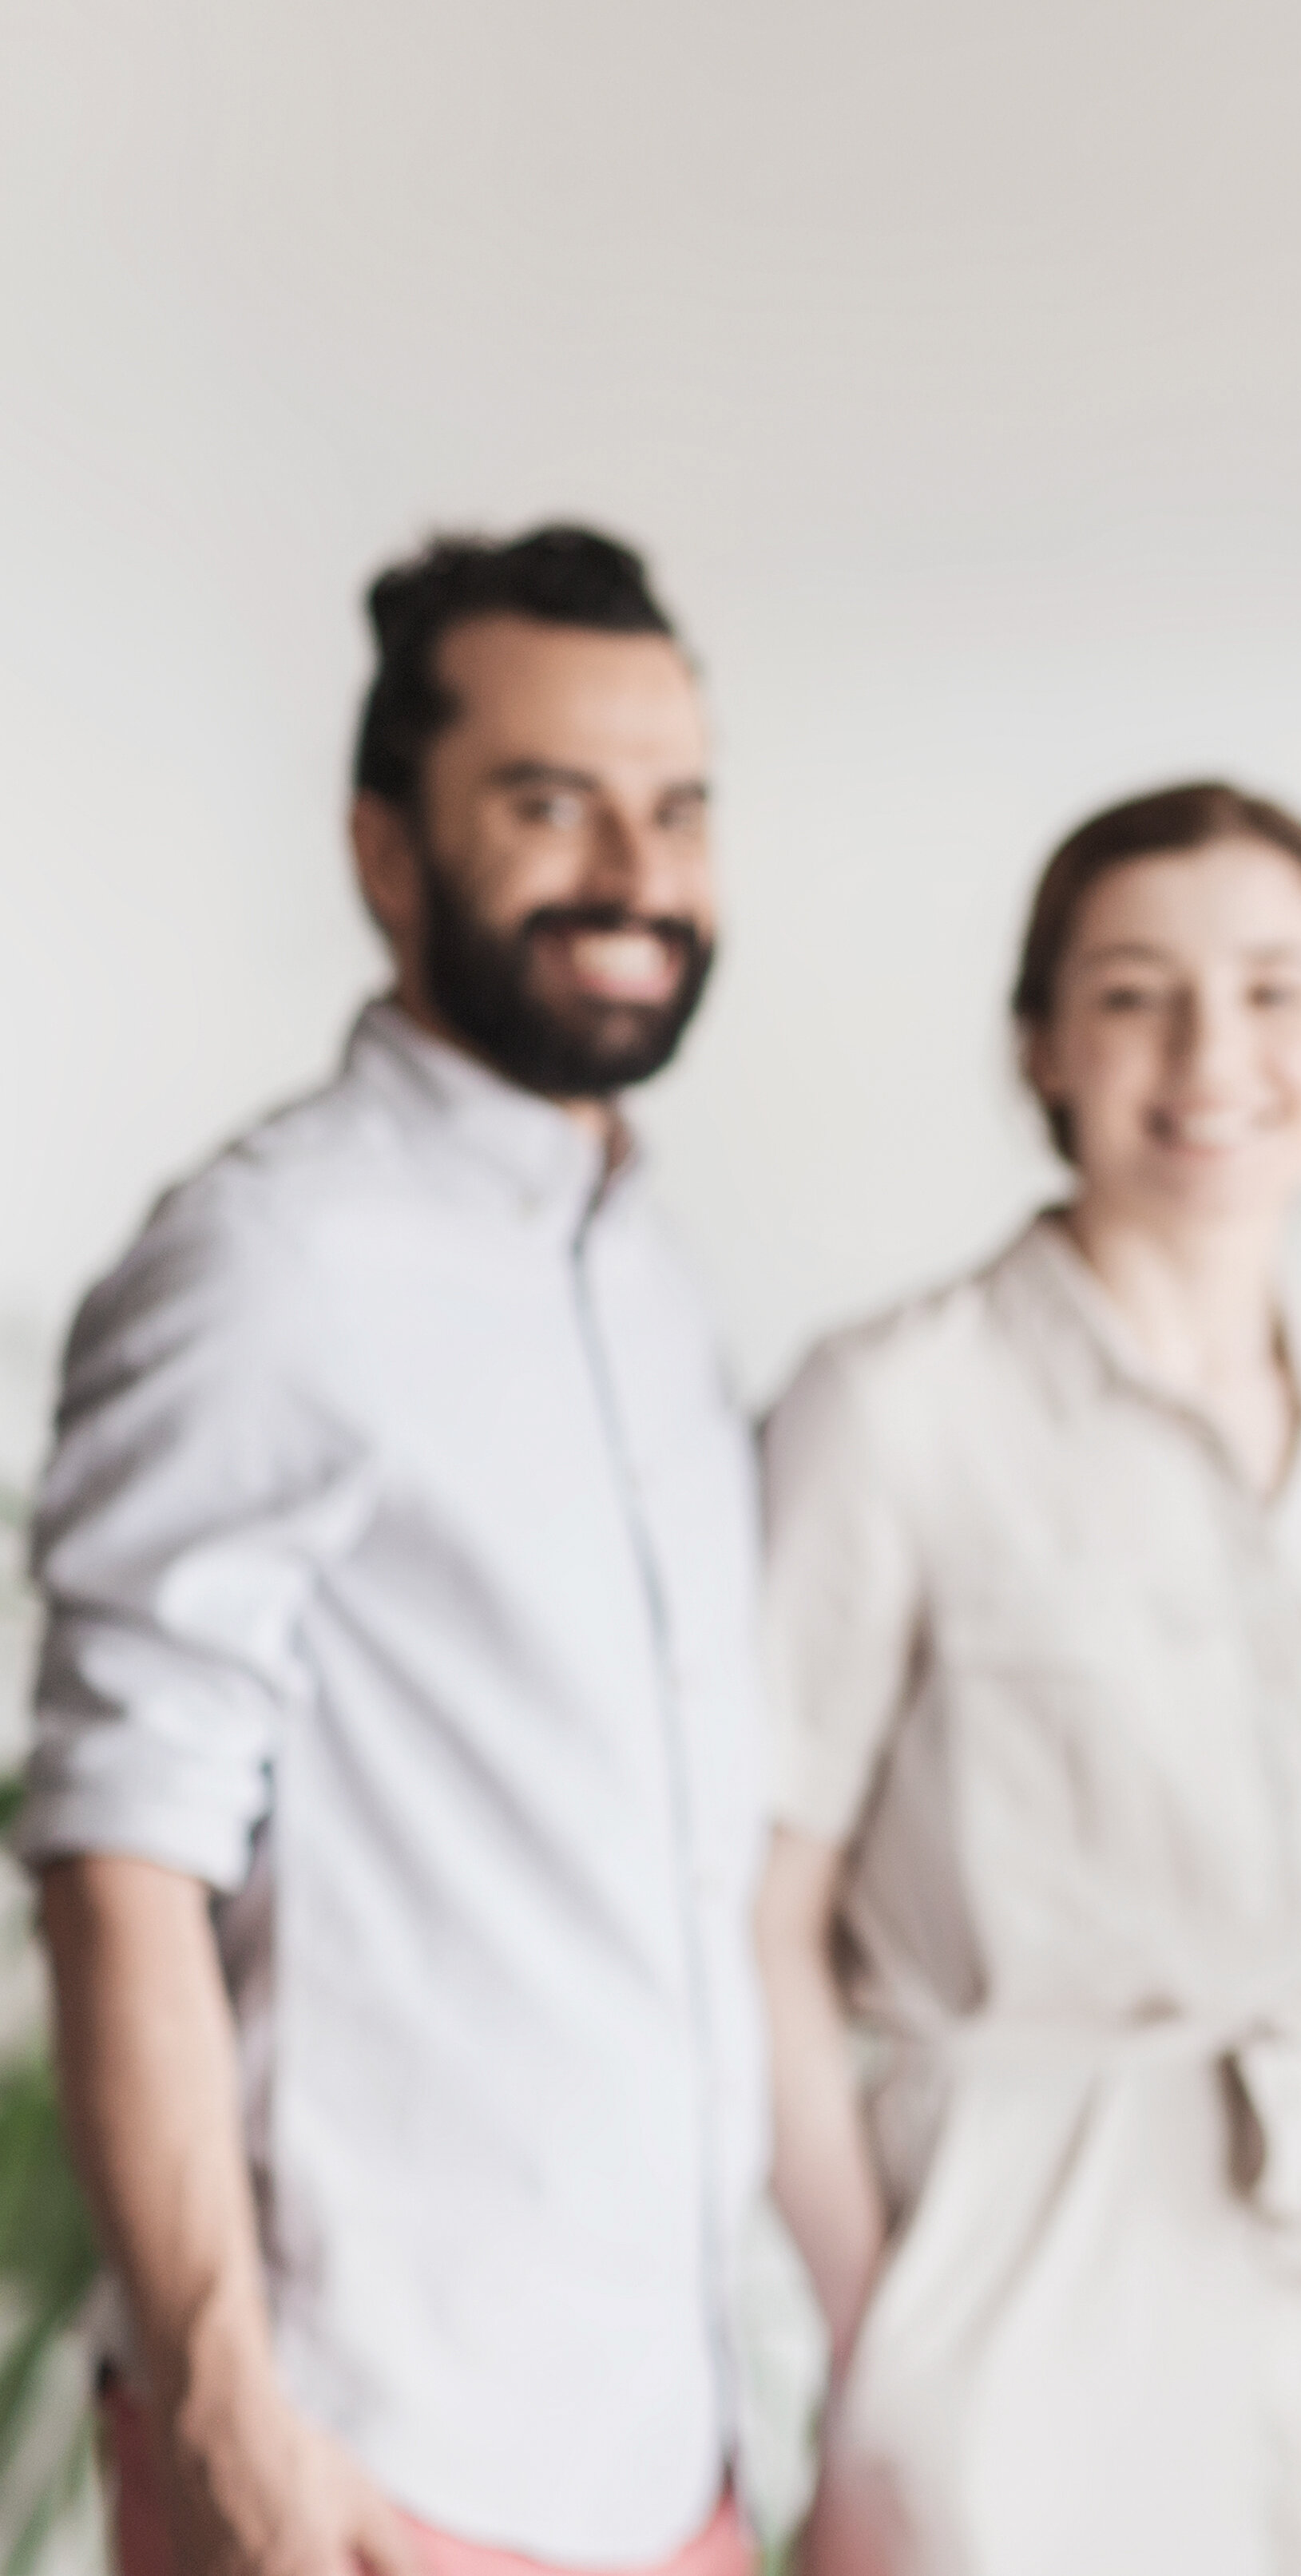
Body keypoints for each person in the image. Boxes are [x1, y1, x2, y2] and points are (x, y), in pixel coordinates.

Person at [22, 525, 762, 2576]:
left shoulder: (663, 1278)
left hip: (660, 2459)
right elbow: (116, 1862)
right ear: (383, 849)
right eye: (550, 803)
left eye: (676, 807)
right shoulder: (266, 1262)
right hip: (370, 2469)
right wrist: (230, 2413)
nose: (637, 869)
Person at [752, 781, 1301, 2576]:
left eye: (1274, 990)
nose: (1212, 1051)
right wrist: (874, 2317)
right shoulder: (893, 1405)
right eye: (1133, 992)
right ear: (1040, 1041)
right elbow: (761, 1904)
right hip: (1030, 2218)